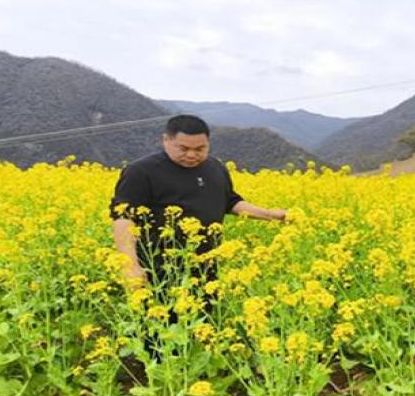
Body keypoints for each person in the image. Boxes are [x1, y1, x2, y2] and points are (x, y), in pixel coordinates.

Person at [109, 114, 287, 313]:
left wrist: (270, 215)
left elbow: (231, 201)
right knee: (160, 333)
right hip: (159, 270)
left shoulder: (215, 167)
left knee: (203, 327)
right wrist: (130, 265)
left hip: (206, 269)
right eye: (183, 149)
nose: (192, 155)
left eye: (200, 149)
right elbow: (123, 217)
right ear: (166, 140)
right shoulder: (141, 172)